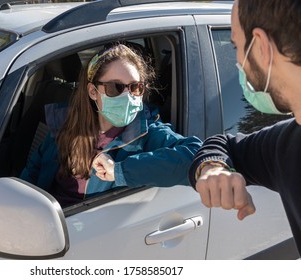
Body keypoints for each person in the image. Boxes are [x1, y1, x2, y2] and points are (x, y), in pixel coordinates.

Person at [21, 43, 202, 207]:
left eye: (135, 87)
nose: (128, 96)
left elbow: (198, 156)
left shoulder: (146, 133)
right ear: (93, 91)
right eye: (116, 87)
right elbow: (33, 173)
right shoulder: (65, 123)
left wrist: (119, 171)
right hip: (47, 222)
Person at [188, 0, 301, 254]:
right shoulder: (287, 143)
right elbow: (224, 144)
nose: (238, 62)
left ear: (260, 46)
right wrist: (213, 168)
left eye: (237, 46)